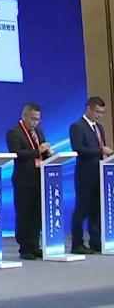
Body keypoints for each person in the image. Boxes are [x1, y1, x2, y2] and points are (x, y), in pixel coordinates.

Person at [6, 102, 52, 260]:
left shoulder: (39, 131)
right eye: (32, 119)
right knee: (24, 214)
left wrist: (48, 153)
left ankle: (34, 245)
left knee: (37, 214)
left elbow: (41, 153)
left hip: (39, 178)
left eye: (38, 119)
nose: (35, 122)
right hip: (23, 179)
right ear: (24, 116)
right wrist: (37, 151)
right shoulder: (14, 132)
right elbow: (17, 154)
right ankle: (24, 248)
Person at [69, 96, 113, 254]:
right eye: (97, 112)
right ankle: (77, 243)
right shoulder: (77, 126)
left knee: (96, 210)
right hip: (85, 175)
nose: (99, 115)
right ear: (88, 108)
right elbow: (78, 149)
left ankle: (96, 241)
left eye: (102, 113)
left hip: (99, 173)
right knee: (82, 209)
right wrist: (100, 150)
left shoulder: (99, 127)